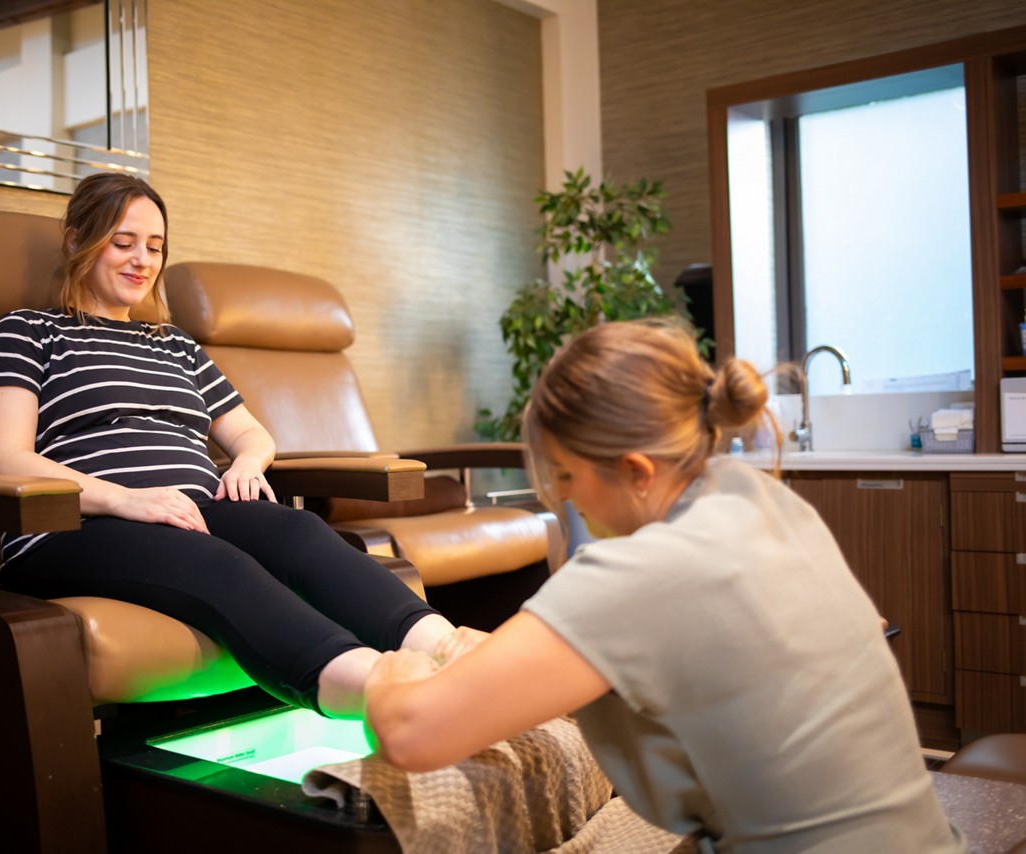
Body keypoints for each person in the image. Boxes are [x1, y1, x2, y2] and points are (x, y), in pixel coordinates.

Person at [365, 319, 965, 852]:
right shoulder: (757, 496)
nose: (564, 495)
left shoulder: (640, 573)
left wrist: (394, 676)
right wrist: (505, 661)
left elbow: (411, 734)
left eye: (567, 474)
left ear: (636, 472)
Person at [0, 172, 456, 718]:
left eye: (155, 247)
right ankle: (376, 692)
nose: (141, 261)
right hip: (74, 527)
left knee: (299, 530)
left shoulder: (175, 345)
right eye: (122, 243)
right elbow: (7, 458)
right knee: (217, 561)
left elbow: (250, 432)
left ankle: (451, 653)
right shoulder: (28, 332)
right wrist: (127, 499)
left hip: (190, 512)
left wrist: (247, 463)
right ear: (78, 240)